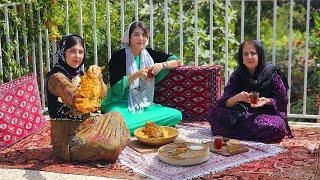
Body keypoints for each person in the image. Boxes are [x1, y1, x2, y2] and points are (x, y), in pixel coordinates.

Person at [46, 35, 130, 164]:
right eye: (72, 51)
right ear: (63, 53)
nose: (77, 56)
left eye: (81, 52)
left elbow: (103, 94)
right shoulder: (57, 78)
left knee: (117, 116)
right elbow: (80, 102)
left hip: (85, 126)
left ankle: (106, 145)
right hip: (68, 140)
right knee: (112, 146)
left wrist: (99, 77)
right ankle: (105, 148)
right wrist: (92, 80)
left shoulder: (78, 74)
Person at [101, 21, 183, 135]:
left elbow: (177, 61)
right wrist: (137, 74)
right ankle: (139, 126)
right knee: (117, 119)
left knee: (176, 115)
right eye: (136, 34)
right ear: (128, 37)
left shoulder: (149, 54)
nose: (141, 38)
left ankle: (129, 127)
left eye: (144, 35)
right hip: (120, 104)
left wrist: (162, 65)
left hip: (144, 104)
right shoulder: (118, 56)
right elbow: (115, 89)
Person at [208, 40, 293, 143]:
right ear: (242, 57)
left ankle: (235, 133)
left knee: (277, 127)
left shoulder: (272, 74)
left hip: (264, 114)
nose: (249, 57)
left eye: (253, 53)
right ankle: (251, 133)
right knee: (213, 114)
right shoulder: (238, 74)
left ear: (260, 55)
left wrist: (267, 101)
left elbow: (281, 99)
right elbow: (224, 102)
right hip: (241, 114)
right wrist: (237, 98)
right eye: (245, 54)